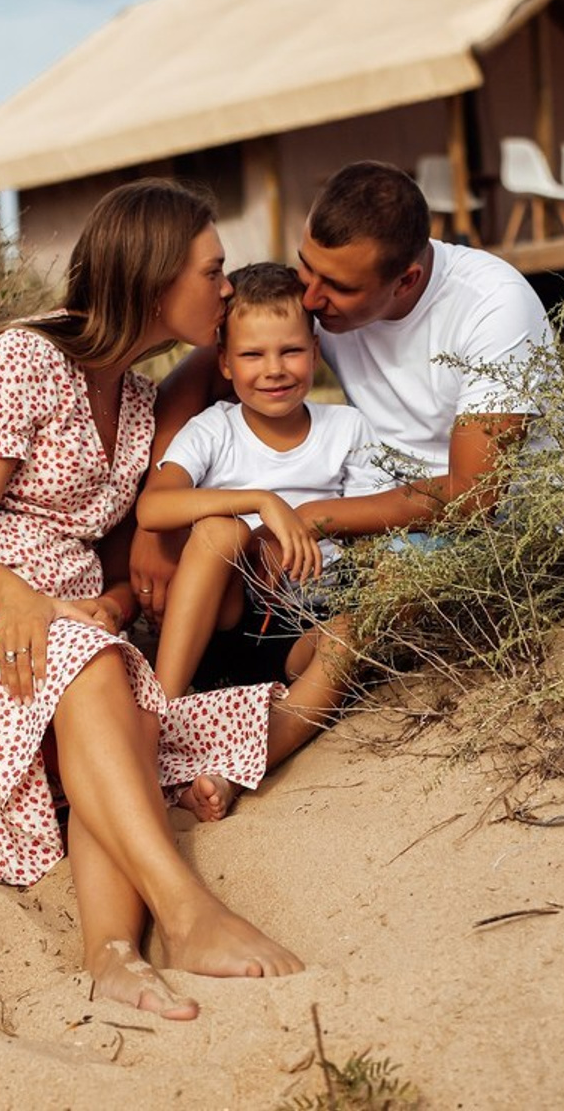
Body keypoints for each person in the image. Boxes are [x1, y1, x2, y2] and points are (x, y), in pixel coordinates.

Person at [0, 179, 303, 1023]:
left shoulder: (137, 399)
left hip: (61, 614)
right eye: (214, 272)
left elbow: (103, 545)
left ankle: (111, 955)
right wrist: (25, 603)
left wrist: (104, 597)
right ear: (156, 276)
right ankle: (188, 912)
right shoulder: (17, 359)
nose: (228, 288)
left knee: (129, 712)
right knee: (95, 673)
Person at [132, 159, 556, 621]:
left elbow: (474, 494)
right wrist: (154, 532)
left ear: (406, 281)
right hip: (370, 509)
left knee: (376, 593)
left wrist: (313, 518)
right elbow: (197, 379)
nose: (310, 298)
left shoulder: (493, 306)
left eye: (336, 286)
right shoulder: (324, 295)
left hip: (498, 531)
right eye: (306, 266)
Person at [137, 263, 389, 818]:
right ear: (224, 363)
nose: (273, 370)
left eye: (290, 352)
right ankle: (157, 716)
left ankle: (241, 766)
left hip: (306, 621)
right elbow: (154, 507)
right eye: (252, 355)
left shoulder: (346, 428)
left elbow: (375, 527)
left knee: (353, 630)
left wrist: (309, 526)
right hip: (224, 616)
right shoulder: (216, 429)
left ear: (315, 350)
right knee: (218, 532)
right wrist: (260, 506)